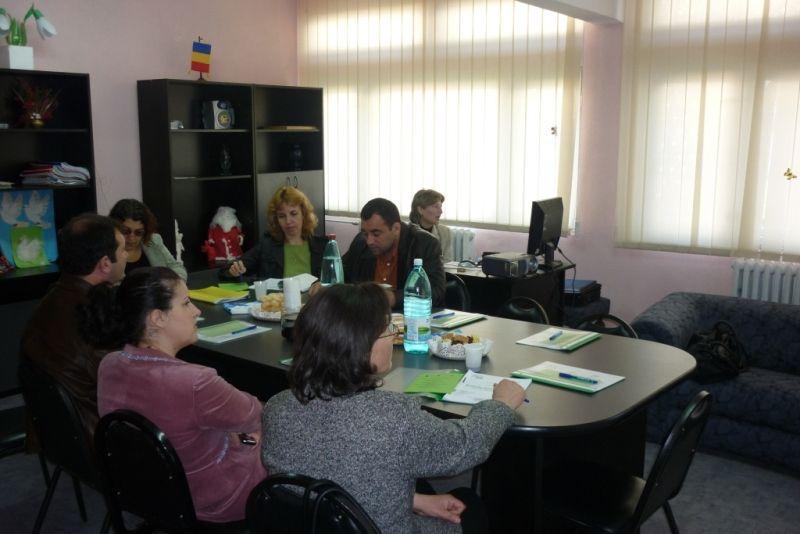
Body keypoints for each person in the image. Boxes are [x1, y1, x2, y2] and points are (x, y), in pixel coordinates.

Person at [262, 283, 524, 533]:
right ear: (360, 346)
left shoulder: (277, 408)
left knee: (421, 486)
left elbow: (329, 471)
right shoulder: (394, 418)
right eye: (387, 328)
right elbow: (464, 447)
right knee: (471, 505)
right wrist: (499, 405)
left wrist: (414, 500)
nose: (393, 335)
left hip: (315, 525)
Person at [79, 267, 266, 522]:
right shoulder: (195, 382)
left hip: (149, 492)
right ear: (158, 318)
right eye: (186, 303)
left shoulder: (109, 364)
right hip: (215, 499)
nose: (196, 311)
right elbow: (256, 414)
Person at [21, 213, 128, 442]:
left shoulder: (55, 298)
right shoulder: (91, 318)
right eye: (123, 250)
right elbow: (125, 383)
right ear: (105, 263)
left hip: (60, 434)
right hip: (98, 436)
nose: (127, 255)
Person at [342, 198, 445, 309]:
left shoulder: (424, 244)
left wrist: (393, 298)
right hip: (368, 315)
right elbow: (341, 277)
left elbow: (436, 291)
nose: (369, 241)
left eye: (376, 234)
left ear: (396, 228)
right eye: (365, 234)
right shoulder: (361, 243)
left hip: (408, 315)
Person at [223, 186, 326, 280]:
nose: (288, 221)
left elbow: (333, 281)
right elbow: (227, 270)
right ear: (276, 219)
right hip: (276, 295)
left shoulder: (322, 246)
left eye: (293, 214)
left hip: (312, 296)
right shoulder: (267, 245)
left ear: (304, 214)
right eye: (282, 216)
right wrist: (234, 270)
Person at [109, 198, 187, 280]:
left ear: (146, 231)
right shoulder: (106, 250)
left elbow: (177, 268)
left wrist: (170, 284)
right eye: (125, 231)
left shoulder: (153, 241)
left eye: (139, 232)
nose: (131, 237)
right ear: (114, 228)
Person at [410, 189, 453, 262]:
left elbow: (447, 262)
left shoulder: (445, 232)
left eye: (441, 207)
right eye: (436, 207)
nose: (441, 211)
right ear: (420, 210)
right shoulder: (406, 232)